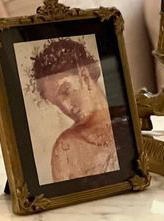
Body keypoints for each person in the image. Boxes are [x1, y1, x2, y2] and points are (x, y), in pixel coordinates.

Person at [30, 38, 119, 182]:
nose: (66, 107)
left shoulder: (128, 120)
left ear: (84, 74)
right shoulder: (66, 148)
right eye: (57, 103)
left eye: (66, 91)